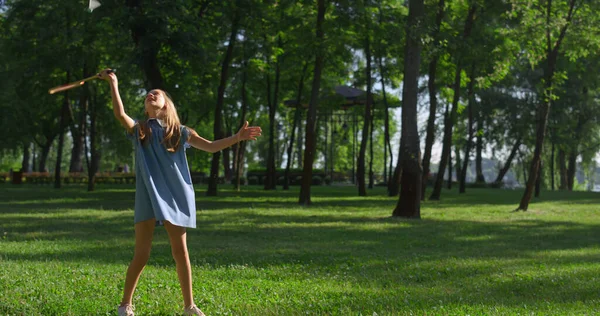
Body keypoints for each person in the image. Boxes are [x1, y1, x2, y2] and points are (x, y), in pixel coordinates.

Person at [98, 69, 262, 316]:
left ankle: (189, 306)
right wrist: (114, 83)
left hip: (175, 194)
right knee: (141, 253)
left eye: (157, 94)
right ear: (145, 109)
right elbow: (120, 113)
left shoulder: (181, 132)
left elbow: (211, 147)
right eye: (147, 95)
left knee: (180, 251)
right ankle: (125, 304)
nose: (151, 95)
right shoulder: (140, 130)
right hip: (148, 195)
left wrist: (237, 137)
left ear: (166, 105)